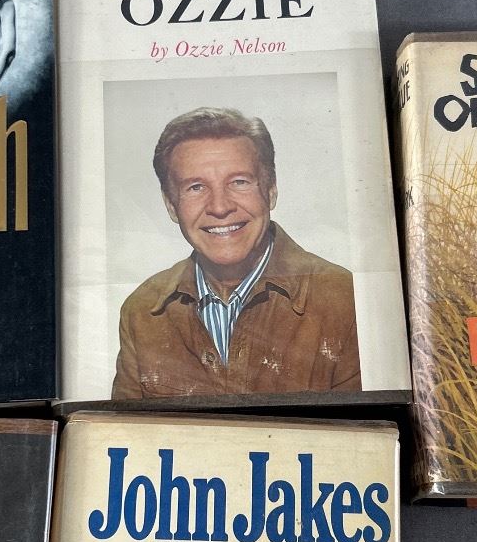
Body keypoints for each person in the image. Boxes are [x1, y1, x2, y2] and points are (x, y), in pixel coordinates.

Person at [110, 107, 361, 399]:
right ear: (171, 205)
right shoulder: (142, 312)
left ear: (271, 191)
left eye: (239, 182)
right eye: (196, 187)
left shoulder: (345, 299)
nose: (220, 207)